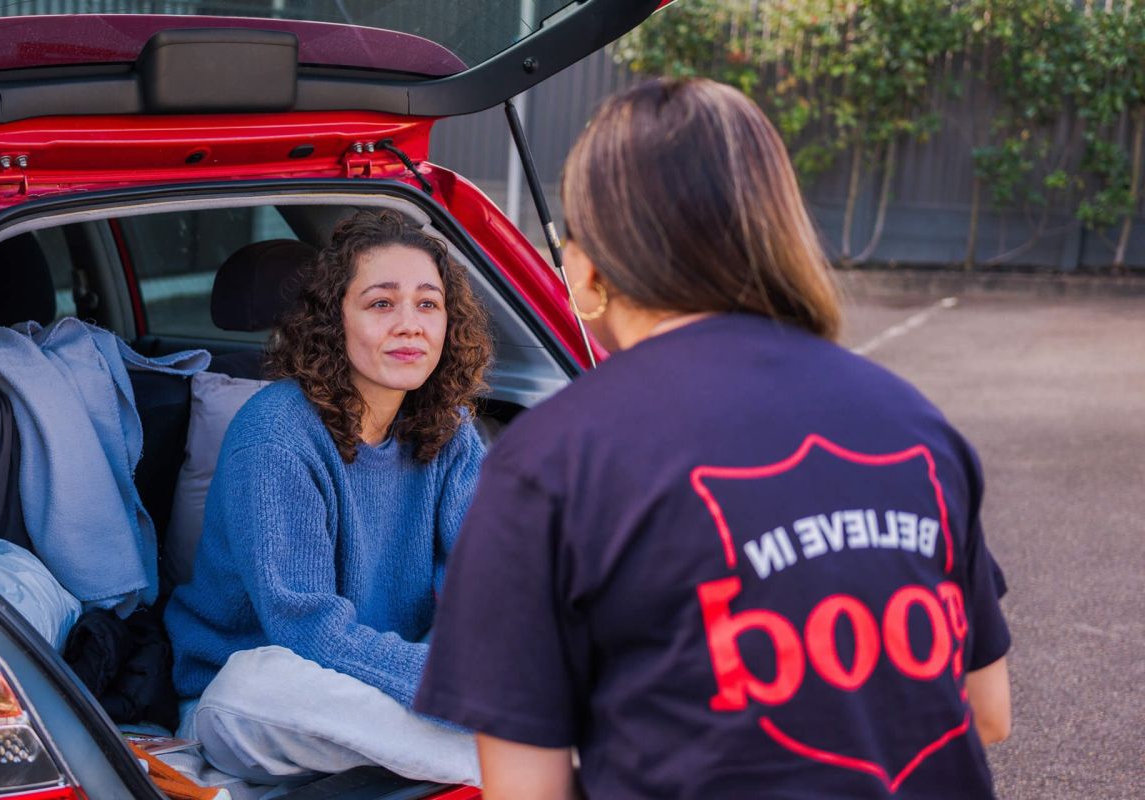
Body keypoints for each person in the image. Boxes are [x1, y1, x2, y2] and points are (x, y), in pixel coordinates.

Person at [415, 78, 1012, 799]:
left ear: (589, 268)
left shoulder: (548, 461)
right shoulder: (914, 422)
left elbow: (528, 789)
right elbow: (986, 711)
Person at [164, 209, 494, 786]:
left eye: (428, 303)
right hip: (261, 700)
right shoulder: (276, 433)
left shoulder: (453, 431)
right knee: (261, 679)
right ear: (333, 322)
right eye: (381, 304)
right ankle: (538, 758)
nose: (410, 324)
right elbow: (307, 630)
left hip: (399, 684)